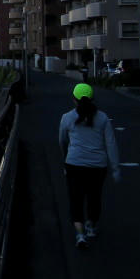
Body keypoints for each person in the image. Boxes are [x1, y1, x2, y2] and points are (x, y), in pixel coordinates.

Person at [58, 82, 121, 249]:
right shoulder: (103, 118)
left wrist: (66, 158)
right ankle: (91, 226)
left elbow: (62, 141)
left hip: (74, 164)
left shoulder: (67, 118)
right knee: (94, 196)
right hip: (98, 166)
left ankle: (80, 235)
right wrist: (115, 168)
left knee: (75, 198)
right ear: (93, 99)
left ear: (74, 99)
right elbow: (111, 144)